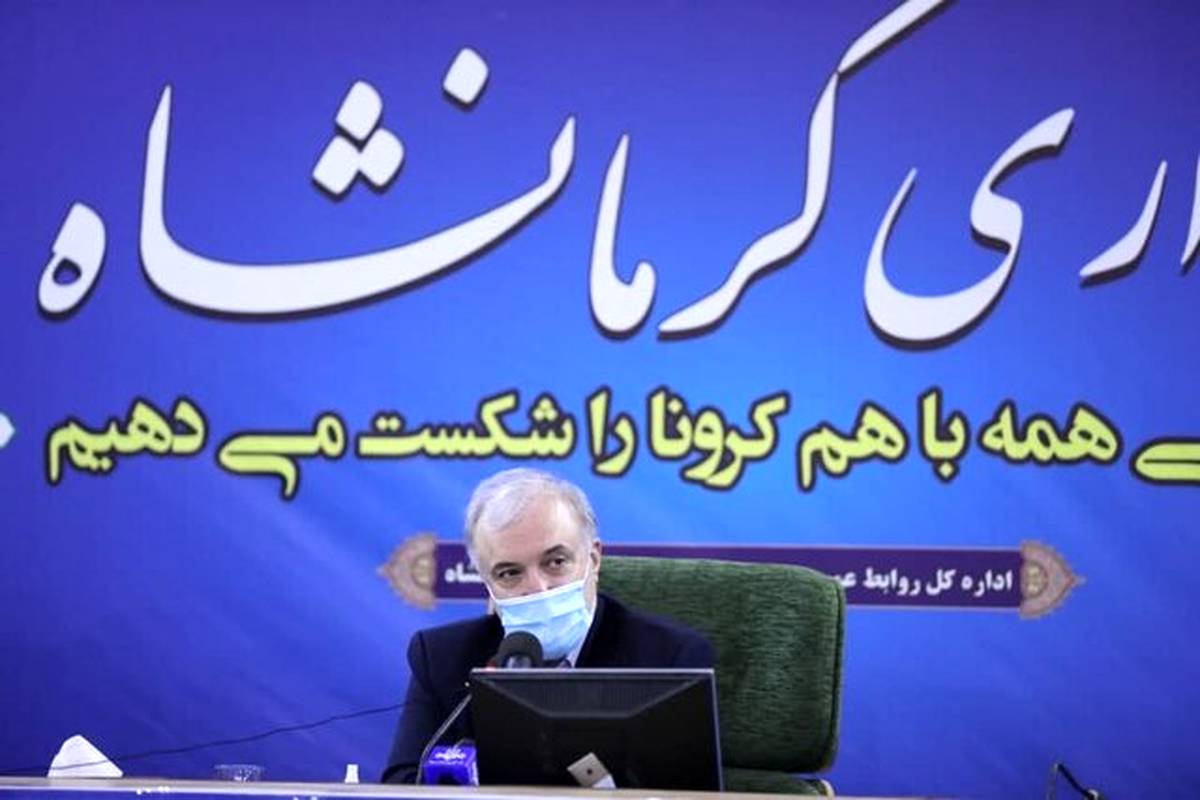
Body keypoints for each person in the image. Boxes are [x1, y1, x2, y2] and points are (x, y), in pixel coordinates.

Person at [381, 468, 715, 784]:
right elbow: (404, 785)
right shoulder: (442, 658)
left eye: (555, 562)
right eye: (510, 573)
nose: (538, 587)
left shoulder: (671, 658)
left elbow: (690, 795)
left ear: (593, 560)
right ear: (487, 584)